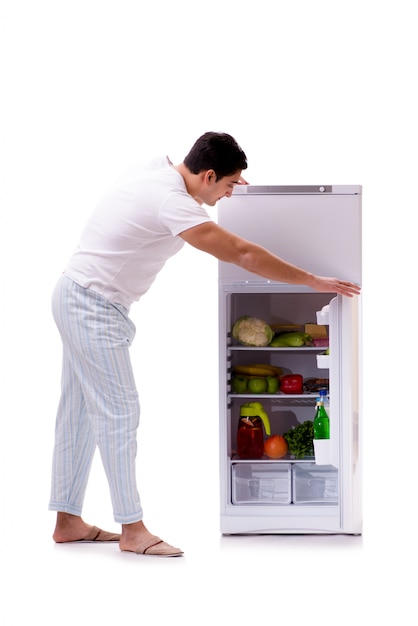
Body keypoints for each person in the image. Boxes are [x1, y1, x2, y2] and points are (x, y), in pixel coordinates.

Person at [50, 132, 361, 557]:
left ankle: (67, 521)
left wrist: (232, 189)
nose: (231, 193)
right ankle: (133, 529)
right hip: (92, 307)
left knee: (80, 413)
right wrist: (312, 279)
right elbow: (241, 253)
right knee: (120, 414)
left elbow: (191, 195)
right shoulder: (172, 202)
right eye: (229, 184)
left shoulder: (159, 171)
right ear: (209, 174)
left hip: (76, 294)